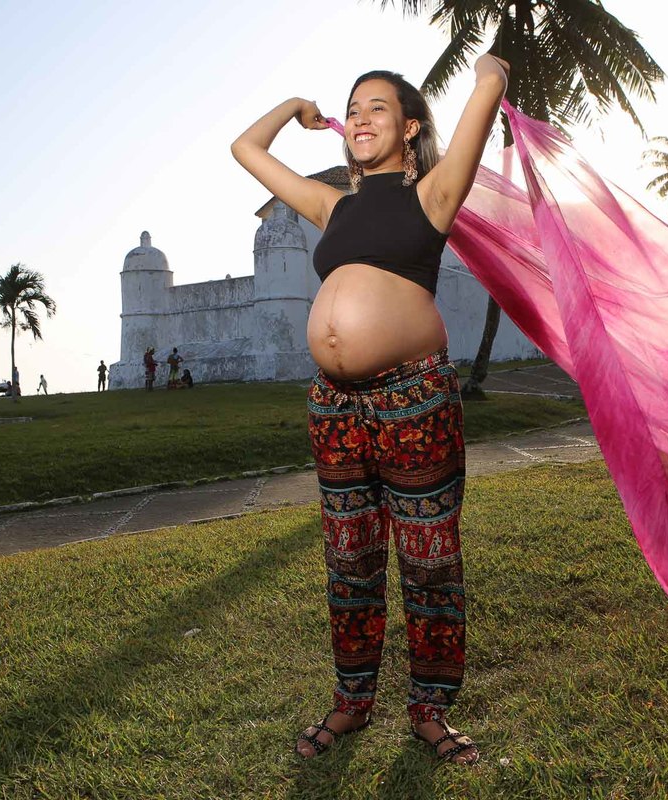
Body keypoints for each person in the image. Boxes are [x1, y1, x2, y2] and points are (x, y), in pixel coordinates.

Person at [232, 53, 508, 764]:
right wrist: (295, 105)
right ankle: (352, 702)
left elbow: (482, 103)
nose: (359, 118)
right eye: (353, 109)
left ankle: (429, 711)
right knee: (349, 560)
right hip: (334, 408)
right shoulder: (334, 207)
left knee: (428, 560)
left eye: (377, 107)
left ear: (410, 127)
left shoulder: (434, 193)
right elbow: (246, 150)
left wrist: (490, 71)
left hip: (413, 398)